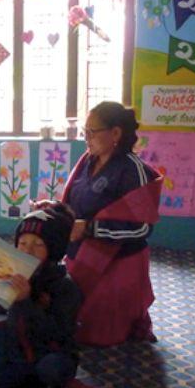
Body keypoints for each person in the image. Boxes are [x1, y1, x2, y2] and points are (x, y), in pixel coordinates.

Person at [54, 101, 162, 346]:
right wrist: (57, 209)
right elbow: (75, 205)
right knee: (72, 320)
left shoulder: (133, 170)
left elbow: (143, 227)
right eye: (85, 131)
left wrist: (90, 229)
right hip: (81, 255)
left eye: (92, 132)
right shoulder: (87, 162)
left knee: (102, 334)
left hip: (117, 263)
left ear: (115, 133)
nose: (86, 138)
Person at [0, 204, 82, 388]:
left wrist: (26, 302)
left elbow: (58, 333)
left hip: (53, 355)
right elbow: (0, 307)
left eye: (38, 245)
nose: (27, 250)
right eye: (22, 243)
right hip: (22, 358)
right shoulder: (18, 274)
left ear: (53, 249)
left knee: (51, 369)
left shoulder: (65, 286)